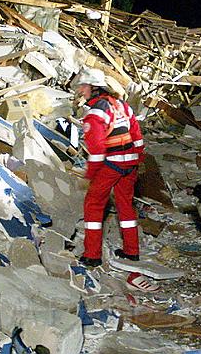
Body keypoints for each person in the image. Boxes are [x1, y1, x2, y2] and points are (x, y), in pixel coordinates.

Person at [75, 67, 144, 268]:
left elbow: (97, 150)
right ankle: (132, 251)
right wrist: (138, 160)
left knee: (94, 205)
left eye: (83, 87)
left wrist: (89, 175)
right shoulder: (122, 106)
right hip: (130, 163)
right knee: (125, 205)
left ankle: (92, 255)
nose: (81, 91)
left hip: (111, 164)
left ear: (93, 88)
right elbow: (137, 136)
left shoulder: (95, 114)